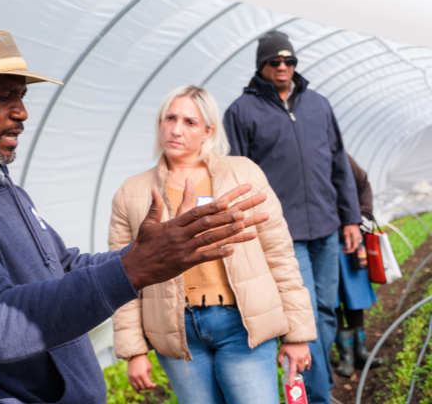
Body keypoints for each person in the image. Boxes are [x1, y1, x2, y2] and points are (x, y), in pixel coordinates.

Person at [0, 29, 269, 404]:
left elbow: (63, 266)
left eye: (22, 96)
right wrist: (133, 269)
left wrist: (148, 253)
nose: (23, 112)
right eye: (4, 97)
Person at [109, 85, 315, 404]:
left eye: (190, 122)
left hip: (241, 325)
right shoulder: (132, 192)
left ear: (209, 131)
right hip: (177, 335)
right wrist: (134, 350)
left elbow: (280, 255)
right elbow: (122, 277)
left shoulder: (243, 174)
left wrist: (297, 334)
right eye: (170, 118)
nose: (176, 129)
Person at [223, 31, 361, 404]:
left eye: (289, 61)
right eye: (274, 62)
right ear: (261, 66)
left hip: (327, 227)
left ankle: (318, 383)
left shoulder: (318, 104)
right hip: (284, 233)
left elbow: (339, 164)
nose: (283, 67)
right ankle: (318, 395)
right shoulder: (241, 111)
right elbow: (237, 173)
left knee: (327, 310)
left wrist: (350, 218)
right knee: (306, 313)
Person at [334, 154, 381, 377]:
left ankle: (360, 352)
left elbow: (364, 184)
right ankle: (346, 356)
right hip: (320, 244)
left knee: (355, 297)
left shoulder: (341, 157)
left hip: (351, 241)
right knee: (331, 300)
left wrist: (362, 216)